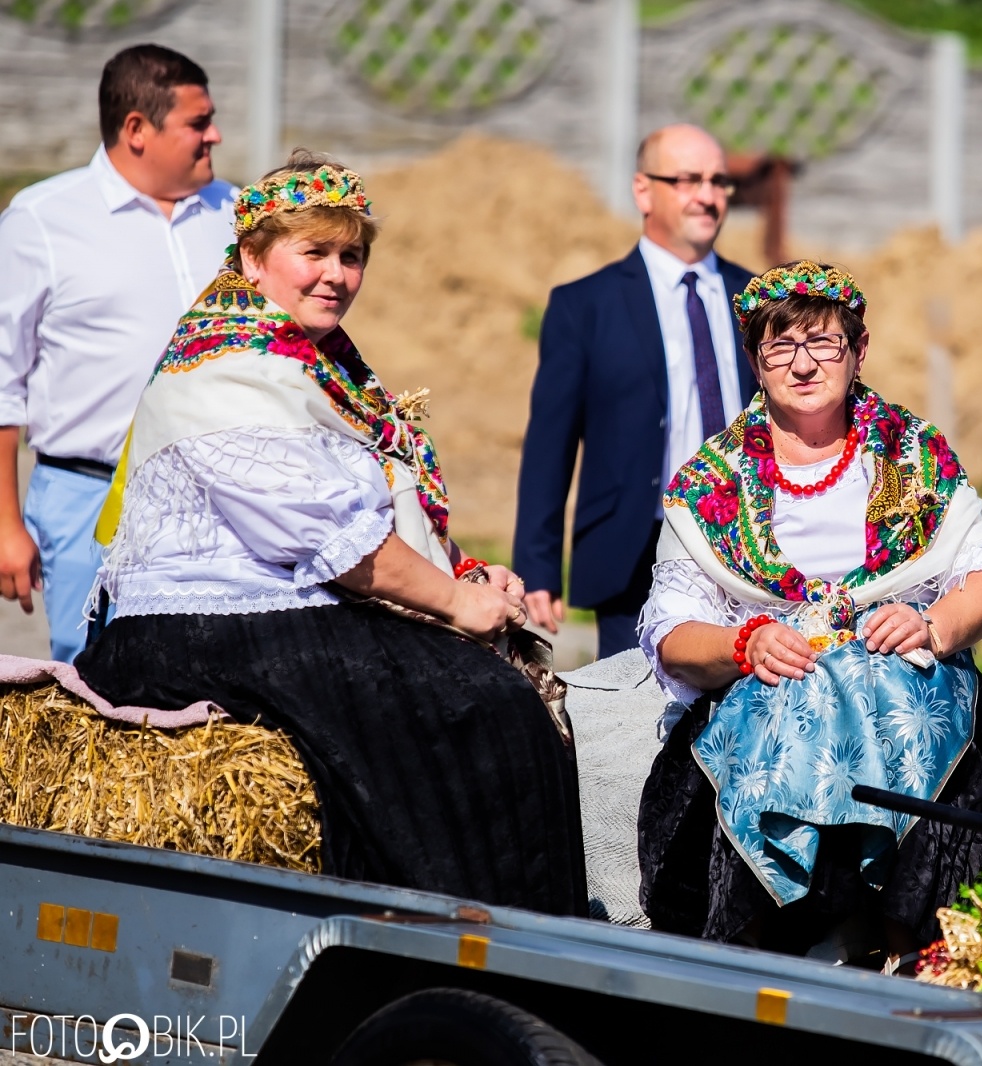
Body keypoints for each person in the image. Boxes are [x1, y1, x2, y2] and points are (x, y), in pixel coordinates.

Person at [74, 151, 587, 915]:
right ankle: (450, 927)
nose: (337, 275)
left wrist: (465, 573)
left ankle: (499, 926)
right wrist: (456, 604)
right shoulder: (225, 366)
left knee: (495, 687)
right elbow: (330, 539)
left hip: (278, 608)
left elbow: (369, 517)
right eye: (313, 252)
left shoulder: (311, 364)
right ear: (253, 258)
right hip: (200, 626)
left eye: (352, 256)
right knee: (477, 702)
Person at [636, 261, 982, 958]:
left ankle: (907, 941)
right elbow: (672, 630)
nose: (803, 365)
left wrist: (933, 626)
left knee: (889, 689)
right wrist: (746, 645)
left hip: (906, 680)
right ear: (756, 362)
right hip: (766, 697)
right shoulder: (712, 481)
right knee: (797, 693)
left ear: (859, 351)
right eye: (780, 347)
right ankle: (760, 936)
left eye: (823, 342)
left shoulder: (913, 457)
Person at [0, 44, 235, 662]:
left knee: (218, 676)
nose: (215, 135)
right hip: (87, 497)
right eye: (198, 122)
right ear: (136, 129)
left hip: (222, 500)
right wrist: (4, 524)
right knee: (94, 678)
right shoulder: (41, 220)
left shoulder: (236, 215)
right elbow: (2, 383)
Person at [514, 124, 757, 659]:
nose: (708, 196)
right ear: (644, 190)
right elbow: (551, 441)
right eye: (688, 179)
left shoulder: (756, 299)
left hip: (748, 539)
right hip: (633, 548)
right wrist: (537, 564)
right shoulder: (586, 305)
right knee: (634, 699)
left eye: (718, 181)